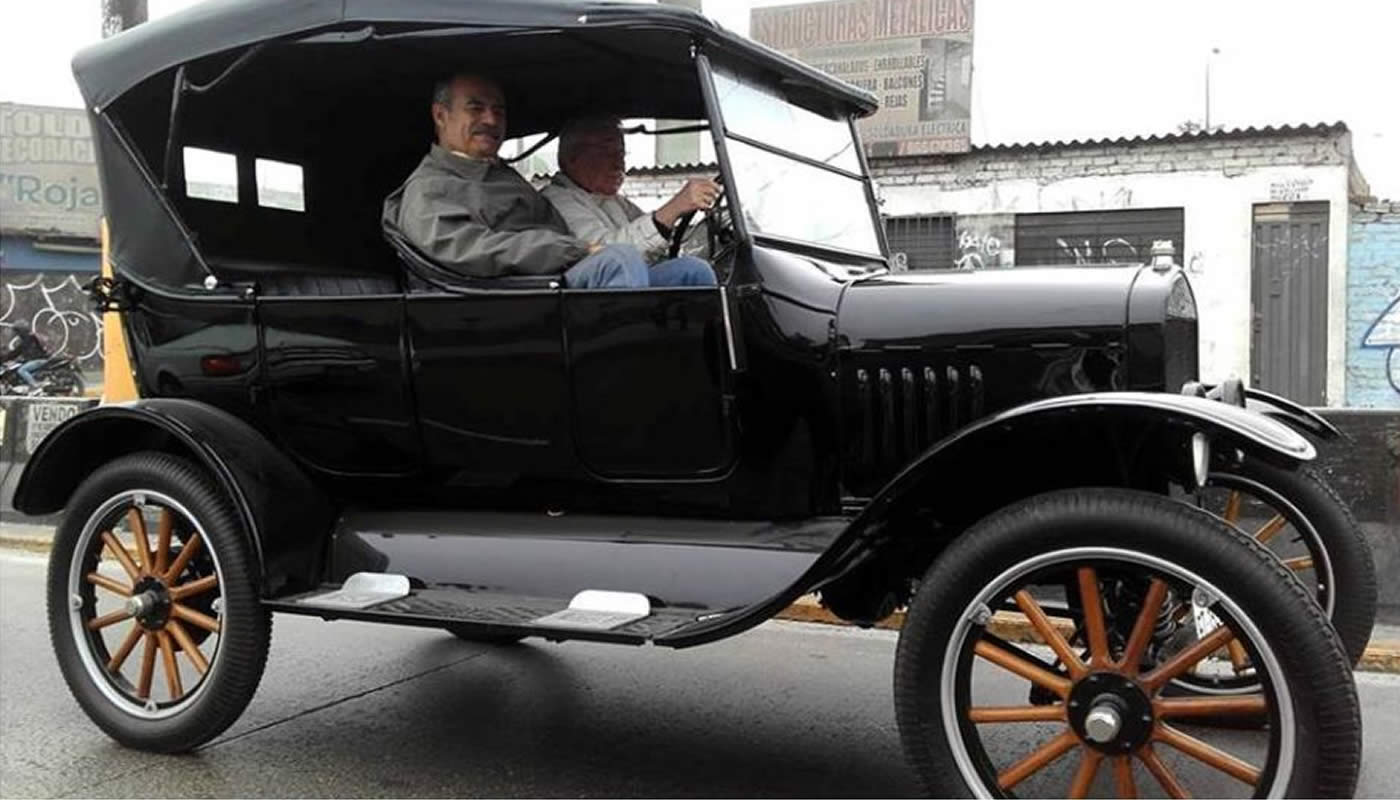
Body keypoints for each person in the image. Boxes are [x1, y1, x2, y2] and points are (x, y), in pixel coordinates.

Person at [382, 74, 672, 289]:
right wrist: (576, 250)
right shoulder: (429, 188)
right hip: (502, 300)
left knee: (688, 273)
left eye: (499, 111)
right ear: (441, 115)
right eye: (476, 108)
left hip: (550, 283)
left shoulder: (503, 177)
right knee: (618, 259)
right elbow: (476, 250)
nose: (491, 120)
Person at [542, 115, 717, 286]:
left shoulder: (613, 201)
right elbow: (608, 257)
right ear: (573, 158)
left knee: (693, 270)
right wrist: (673, 209)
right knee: (623, 257)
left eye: (621, 153)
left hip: (632, 281)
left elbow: (654, 243)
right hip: (585, 297)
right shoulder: (556, 200)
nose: (619, 163)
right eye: (607, 153)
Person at [0, 321, 50, 390]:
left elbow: (17, 352)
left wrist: (5, 359)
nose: (16, 334)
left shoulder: (28, 340)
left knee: (22, 370)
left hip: (39, 360)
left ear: (21, 331)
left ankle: (35, 386)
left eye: (17, 331)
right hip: (38, 359)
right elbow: (16, 352)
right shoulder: (30, 339)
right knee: (19, 367)